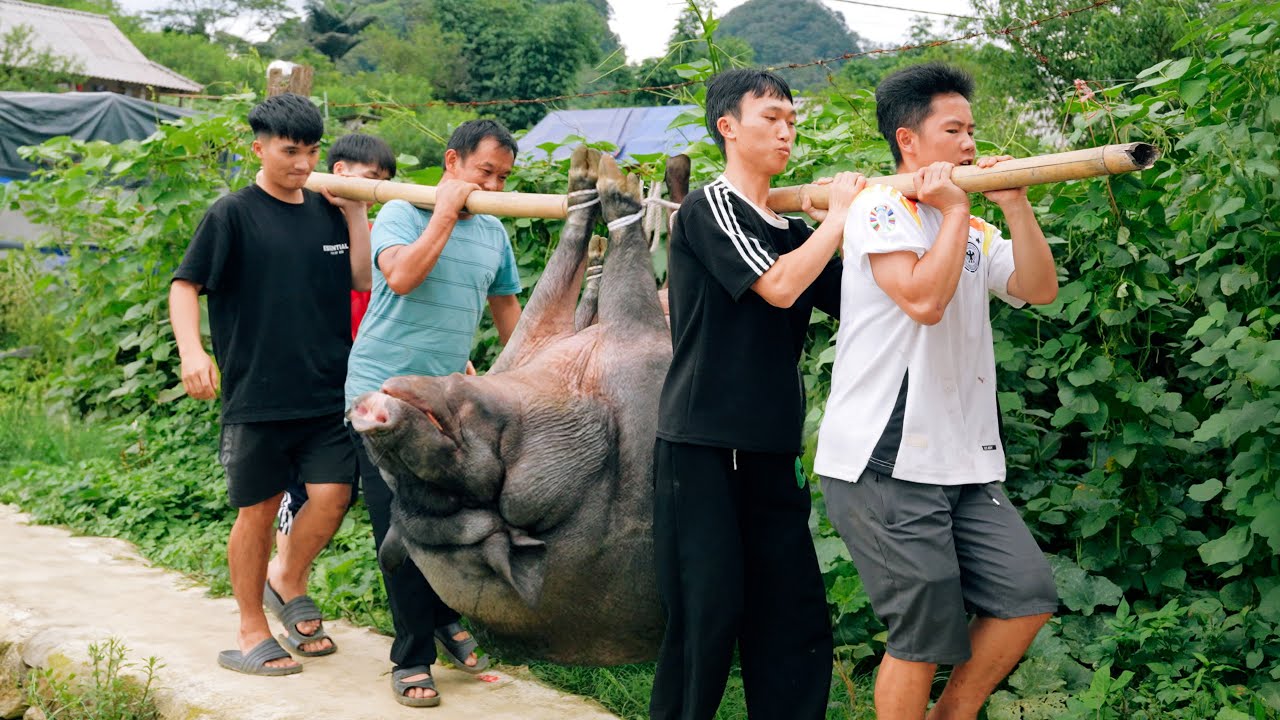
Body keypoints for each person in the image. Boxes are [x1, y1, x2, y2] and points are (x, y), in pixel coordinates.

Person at [814, 62, 1061, 719]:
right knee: (919, 637)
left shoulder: (973, 228)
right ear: (909, 142)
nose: (970, 144)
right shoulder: (878, 207)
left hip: (963, 457)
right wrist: (953, 211)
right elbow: (922, 299)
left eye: (972, 130)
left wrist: (1014, 204)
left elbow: (1038, 288)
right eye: (953, 130)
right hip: (884, 456)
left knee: (1027, 593)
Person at [650, 68, 865, 720]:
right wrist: (839, 218)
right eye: (771, 116)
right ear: (727, 127)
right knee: (706, 618)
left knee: (791, 615)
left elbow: (861, 296)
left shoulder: (791, 227)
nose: (786, 129)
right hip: (701, 446)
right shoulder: (709, 207)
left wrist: (910, 214)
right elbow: (778, 286)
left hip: (771, 450)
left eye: (792, 119)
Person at [168, 93, 372, 676]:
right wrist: (192, 351)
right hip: (258, 394)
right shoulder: (231, 213)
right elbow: (186, 286)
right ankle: (251, 625)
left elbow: (360, 276)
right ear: (259, 148)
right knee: (258, 511)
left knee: (332, 499)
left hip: (327, 390)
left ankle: (288, 579)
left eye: (311, 151)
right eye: (290, 151)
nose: (303, 164)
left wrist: (354, 211)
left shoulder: (327, 209)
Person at [345, 118, 523, 707]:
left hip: (446, 405)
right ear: (452, 163)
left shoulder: (495, 233)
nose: (492, 185)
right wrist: (445, 212)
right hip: (379, 395)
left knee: (450, 518)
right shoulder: (401, 211)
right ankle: (411, 657)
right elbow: (399, 276)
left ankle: (443, 619)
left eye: (502, 177)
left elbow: (506, 313)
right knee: (399, 525)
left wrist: (524, 376)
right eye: (483, 172)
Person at [274, 133, 397, 559]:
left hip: (356, 373)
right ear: (338, 172)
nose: (372, 189)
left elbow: (374, 290)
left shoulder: (378, 232)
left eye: (381, 182)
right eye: (368, 178)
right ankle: (286, 577)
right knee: (300, 487)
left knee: (340, 488)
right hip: (308, 370)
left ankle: (288, 576)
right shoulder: (304, 219)